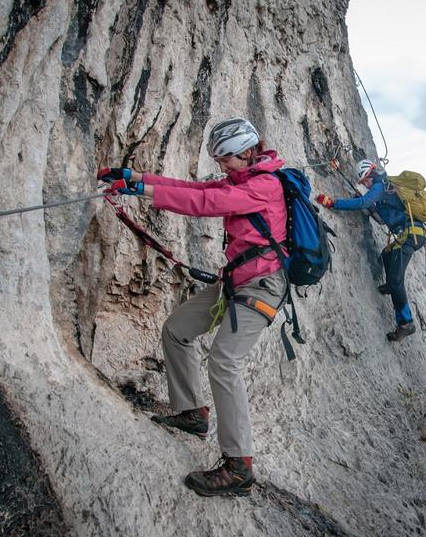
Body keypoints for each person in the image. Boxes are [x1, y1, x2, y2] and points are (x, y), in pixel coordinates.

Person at [97, 117, 287, 497]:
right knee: (177, 330)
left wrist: (140, 192)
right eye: (219, 159)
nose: (222, 166)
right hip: (234, 282)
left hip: (263, 285)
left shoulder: (264, 185)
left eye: (227, 158)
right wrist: (136, 178)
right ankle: (192, 414)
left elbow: (204, 203)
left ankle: (238, 467)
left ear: (249, 152)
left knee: (224, 359)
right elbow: (193, 187)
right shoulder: (242, 180)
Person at [315, 159, 426, 341]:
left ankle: (406, 323)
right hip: (412, 234)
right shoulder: (386, 187)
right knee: (387, 255)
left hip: (410, 235)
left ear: (371, 173)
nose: (366, 184)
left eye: (365, 180)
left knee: (397, 279)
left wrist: (334, 203)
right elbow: (382, 219)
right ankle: (391, 287)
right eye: (364, 182)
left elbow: (363, 202)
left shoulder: (380, 185)